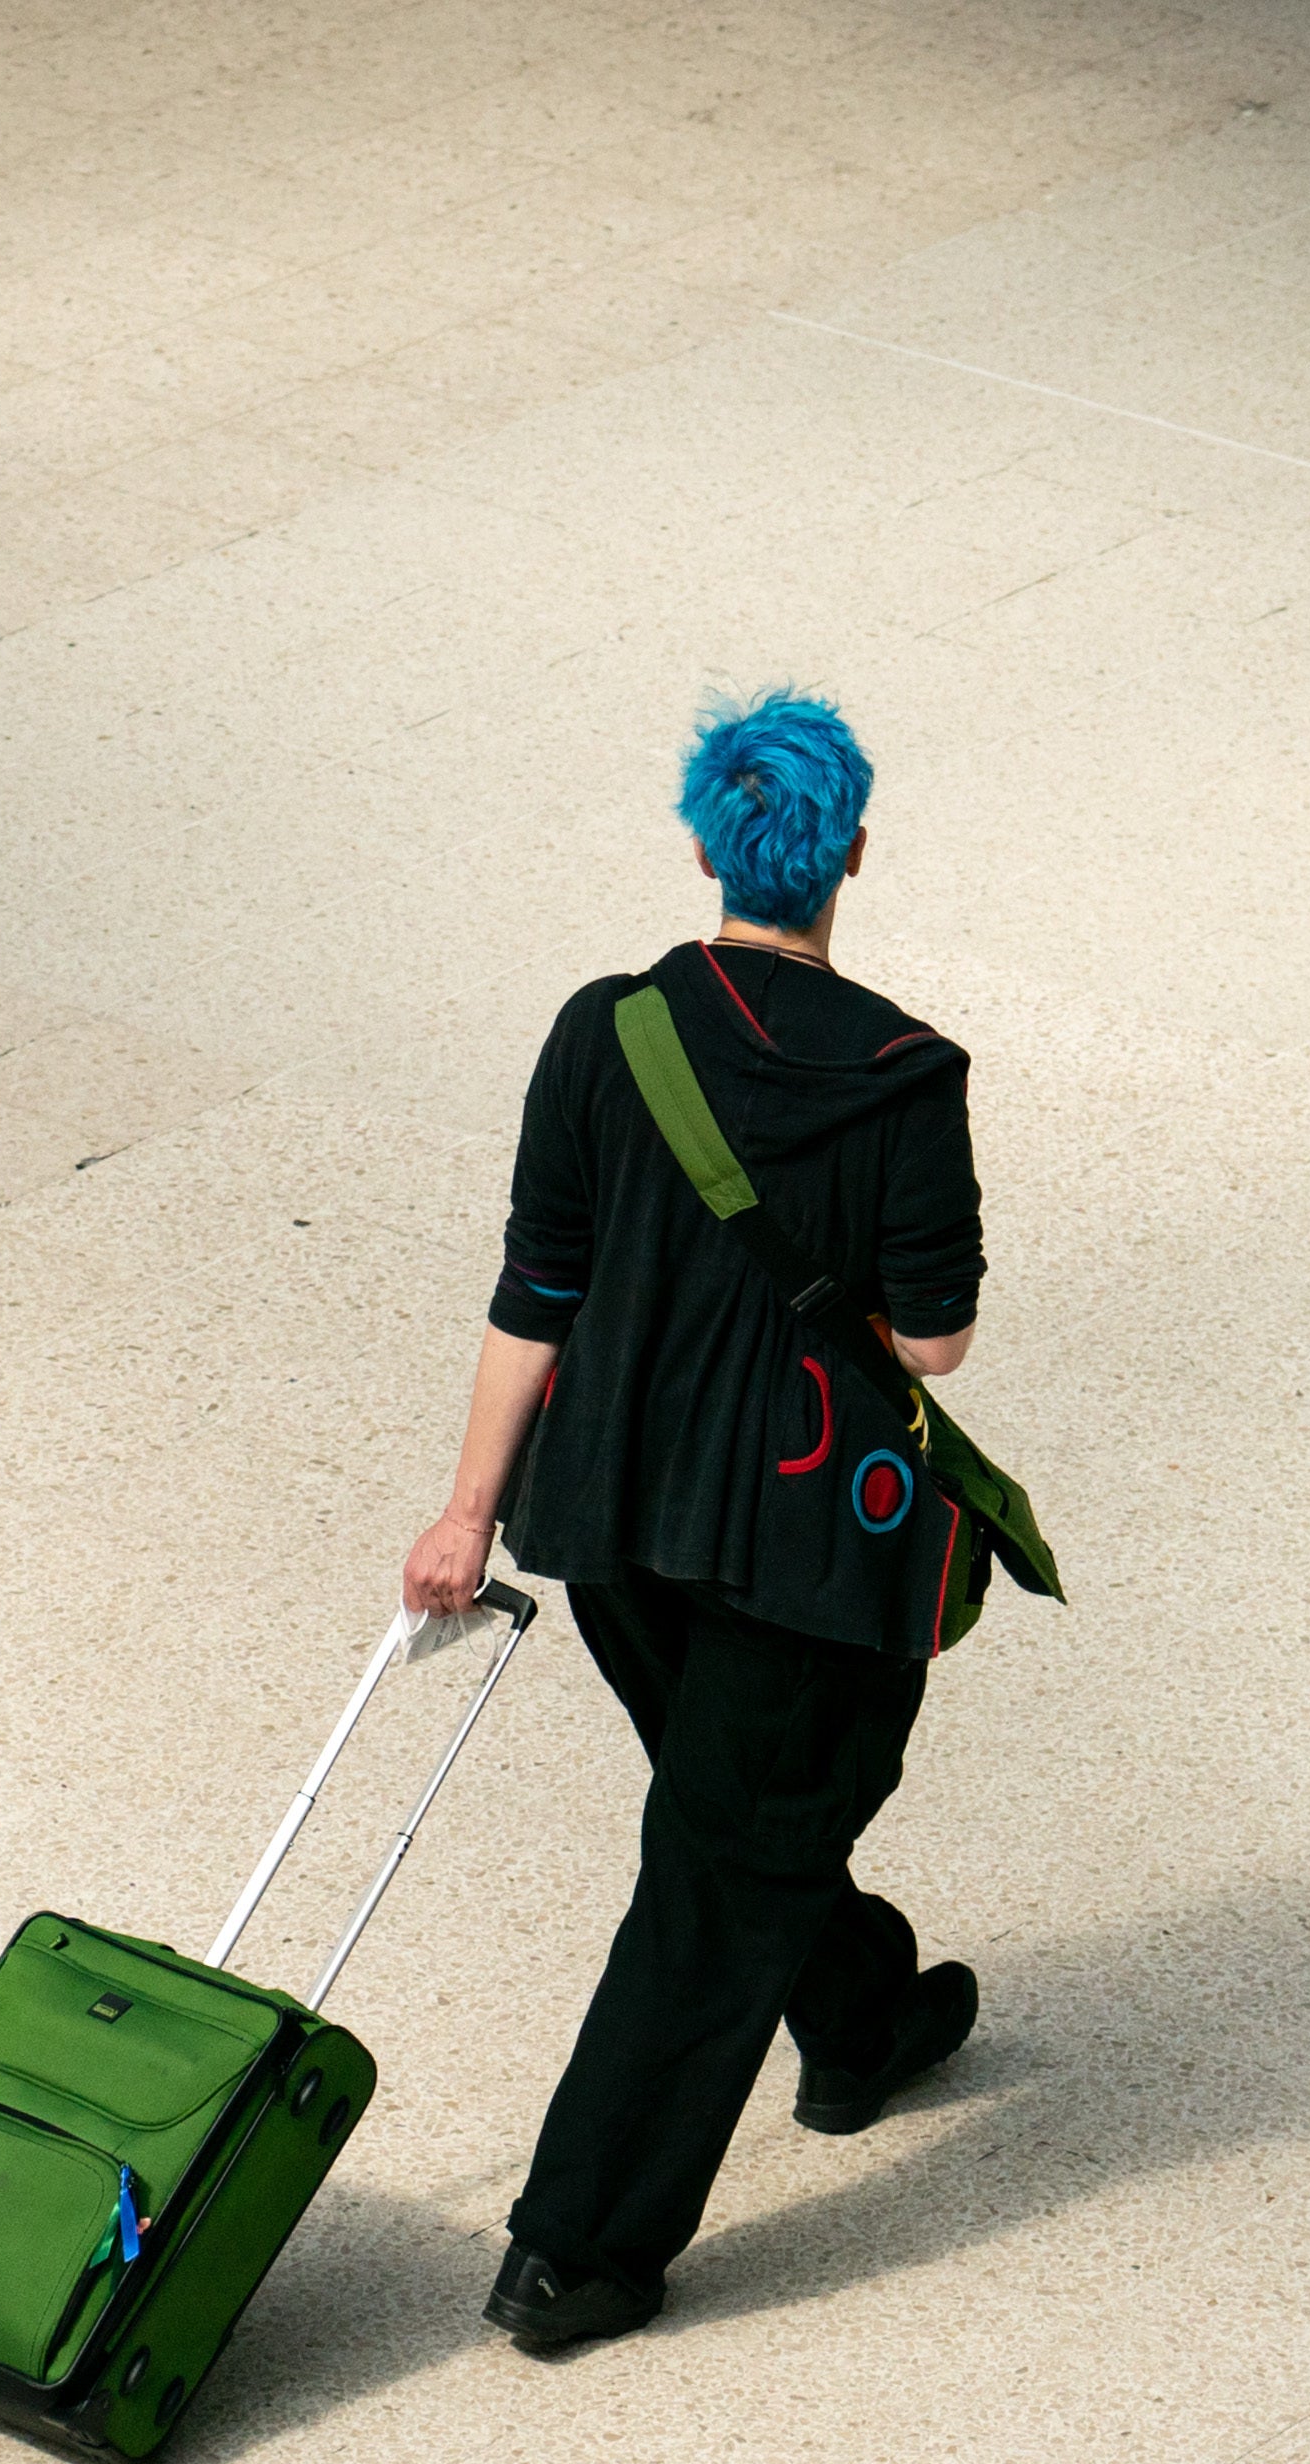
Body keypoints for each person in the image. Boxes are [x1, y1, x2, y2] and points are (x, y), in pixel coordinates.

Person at [399, 687, 989, 2354]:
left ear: (709, 844)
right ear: (851, 854)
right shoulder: (903, 1076)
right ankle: (579, 2246)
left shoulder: (607, 1028)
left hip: (616, 1532)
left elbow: (539, 1286)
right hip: (807, 1559)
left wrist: (464, 1514)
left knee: (740, 1825)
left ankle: (862, 2013)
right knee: (712, 1872)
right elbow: (935, 1339)